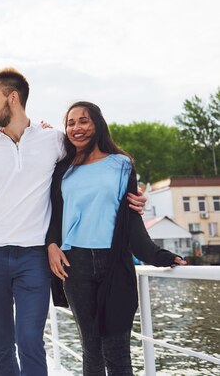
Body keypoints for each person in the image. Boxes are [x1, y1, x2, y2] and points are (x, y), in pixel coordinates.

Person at [0, 67, 147, 376]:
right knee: (1, 345)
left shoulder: (53, 139)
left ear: (12, 98)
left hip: (34, 254)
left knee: (30, 339)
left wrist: (130, 192)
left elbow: (94, 166)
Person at [46, 101, 186, 375]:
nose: (77, 128)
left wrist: (160, 256)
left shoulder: (122, 165)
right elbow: (53, 214)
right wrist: (51, 244)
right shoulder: (62, 169)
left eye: (83, 121)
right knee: (91, 348)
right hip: (75, 264)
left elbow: (131, 220)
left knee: (118, 349)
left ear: (97, 124)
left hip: (115, 263)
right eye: (71, 123)